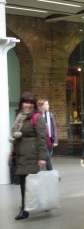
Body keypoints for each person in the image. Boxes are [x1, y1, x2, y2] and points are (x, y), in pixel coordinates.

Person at [9, 92, 47, 220]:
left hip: (32, 155)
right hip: (20, 154)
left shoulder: (37, 117)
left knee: (26, 183)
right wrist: (12, 153)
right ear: (21, 103)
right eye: (26, 102)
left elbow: (42, 139)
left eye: (31, 103)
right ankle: (30, 205)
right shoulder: (20, 116)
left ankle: (25, 210)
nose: (28, 105)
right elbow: (15, 136)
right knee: (24, 182)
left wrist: (42, 158)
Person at [37, 99, 58, 171]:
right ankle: (50, 172)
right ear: (41, 106)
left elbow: (54, 127)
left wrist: (55, 140)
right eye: (46, 104)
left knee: (48, 157)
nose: (48, 106)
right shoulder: (38, 115)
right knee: (47, 157)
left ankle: (44, 172)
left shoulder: (50, 115)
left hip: (50, 138)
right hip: (42, 139)